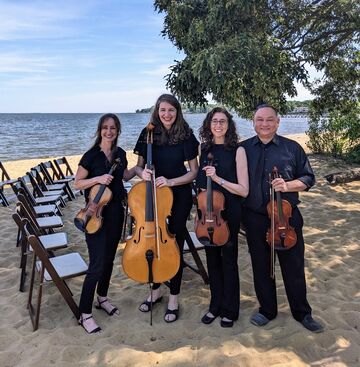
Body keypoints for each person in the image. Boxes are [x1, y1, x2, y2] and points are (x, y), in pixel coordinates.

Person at [241, 104, 324, 333]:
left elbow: (308, 178)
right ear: (253, 122)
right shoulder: (243, 149)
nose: (265, 124)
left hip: (286, 216)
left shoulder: (292, 148)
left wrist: (287, 185)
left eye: (270, 120)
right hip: (255, 217)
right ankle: (267, 310)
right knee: (261, 266)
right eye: (260, 120)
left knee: (293, 266)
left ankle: (302, 313)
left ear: (278, 122)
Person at [133, 93, 199, 323]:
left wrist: (171, 181)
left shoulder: (186, 134)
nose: (167, 114)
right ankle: (155, 291)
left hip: (179, 194)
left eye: (171, 110)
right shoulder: (148, 133)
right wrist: (144, 174)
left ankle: (174, 295)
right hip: (155, 194)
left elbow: (193, 172)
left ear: (177, 111)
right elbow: (138, 168)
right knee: (152, 241)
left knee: (173, 244)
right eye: (163, 110)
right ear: (157, 111)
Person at [74, 113, 135, 334]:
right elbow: (77, 183)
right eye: (105, 127)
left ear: (118, 131)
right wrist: (98, 179)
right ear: (100, 130)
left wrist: (137, 170)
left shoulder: (120, 154)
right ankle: (85, 313)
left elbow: (124, 177)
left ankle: (102, 298)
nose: (109, 131)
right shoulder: (90, 156)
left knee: (109, 260)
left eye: (113, 128)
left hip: (116, 212)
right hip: (94, 215)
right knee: (97, 263)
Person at [196, 107, 249, 327]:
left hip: (228, 214)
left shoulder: (238, 150)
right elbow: (199, 182)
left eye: (223, 121)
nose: (218, 125)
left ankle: (230, 309)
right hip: (208, 213)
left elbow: (243, 190)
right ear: (209, 124)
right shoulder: (204, 148)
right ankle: (215, 305)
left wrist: (217, 179)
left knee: (228, 261)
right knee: (212, 261)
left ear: (229, 125)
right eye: (214, 121)